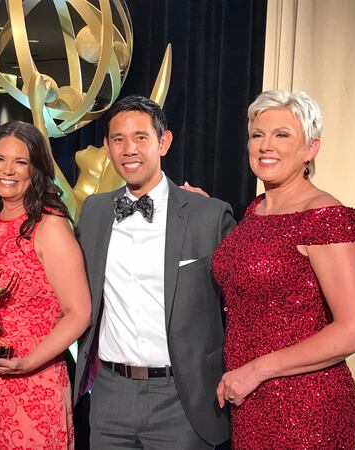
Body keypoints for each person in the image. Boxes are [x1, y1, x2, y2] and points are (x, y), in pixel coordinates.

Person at [211, 90, 355, 449]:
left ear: (311, 149)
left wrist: (256, 370)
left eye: (282, 135)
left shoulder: (325, 215)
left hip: (305, 408)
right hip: (252, 403)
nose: (266, 146)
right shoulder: (256, 211)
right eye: (257, 135)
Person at [72, 95, 236, 449]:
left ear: (164, 142)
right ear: (107, 147)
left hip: (183, 396)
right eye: (118, 139)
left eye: (141, 138)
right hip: (110, 395)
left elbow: (242, 298)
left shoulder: (208, 215)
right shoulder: (95, 211)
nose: (129, 149)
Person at [0, 121, 91, 450]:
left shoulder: (51, 227)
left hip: (30, 384)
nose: (7, 170)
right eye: (0, 159)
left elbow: (79, 312)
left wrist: (27, 362)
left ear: (36, 169)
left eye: (21, 162)